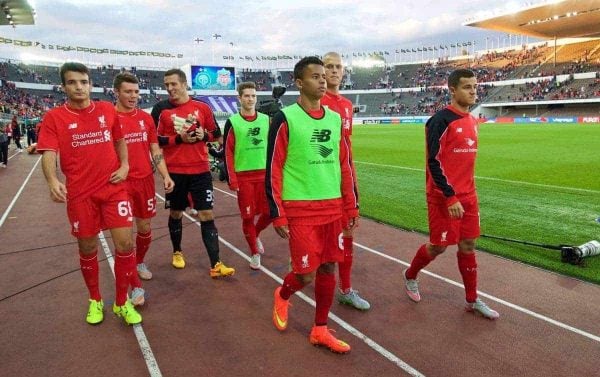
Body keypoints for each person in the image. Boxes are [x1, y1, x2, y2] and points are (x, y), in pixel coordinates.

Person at [36, 62, 142, 325]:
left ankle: (121, 302)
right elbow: (48, 152)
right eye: (72, 82)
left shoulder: (107, 110)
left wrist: (125, 165)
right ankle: (95, 299)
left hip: (113, 189)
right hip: (81, 194)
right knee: (87, 246)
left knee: (126, 244)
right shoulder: (54, 118)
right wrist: (52, 180)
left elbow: (119, 140)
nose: (79, 87)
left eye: (83, 81)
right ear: (64, 87)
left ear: (91, 84)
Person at [267, 56, 359, 353]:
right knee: (305, 273)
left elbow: (344, 165)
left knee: (330, 266)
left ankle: (320, 328)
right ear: (299, 82)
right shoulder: (286, 118)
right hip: (300, 208)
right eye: (315, 76)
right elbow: (274, 168)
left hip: (332, 207)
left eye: (324, 76)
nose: (323, 80)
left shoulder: (334, 119)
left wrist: (351, 205)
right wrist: (278, 213)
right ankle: (283, 293)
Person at [402, 68, 499, 320]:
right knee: (439, 246)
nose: (473, 91)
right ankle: (410, 275)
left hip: (469, 195)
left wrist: (464, 195)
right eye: (467, 87)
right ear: (453, 90)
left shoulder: (472, 121)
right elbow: (433, 162)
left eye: (475, 87)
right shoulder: (440, 121)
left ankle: (472, 299)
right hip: (443, 196)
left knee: (468, 244)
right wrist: (450, 196)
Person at [151, 68, 234, 277]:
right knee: (176, 213)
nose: (170, 89)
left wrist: (203, 134)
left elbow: (216, 134)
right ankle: (177, 251)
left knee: (207, 214)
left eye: (173, 84)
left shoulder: (202, 106)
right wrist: (177, 139)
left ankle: (216, 265)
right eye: (166, 85)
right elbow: (153, 140)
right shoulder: (161, 109)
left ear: (184, 84)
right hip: (175, 171)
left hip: (200, 171)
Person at [113, 72, 175, 304]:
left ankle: (138, 261)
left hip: (145, 182)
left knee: (145, 228)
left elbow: (155, 150)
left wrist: (165, 176)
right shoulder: (109, 117)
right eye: (128, 92)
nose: (133, 96)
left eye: (136, 92)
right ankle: (135, 287)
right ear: (116, 92)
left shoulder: (146, 119)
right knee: (125, 237)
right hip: (120, 184)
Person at [321, 51, 370, 311]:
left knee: (348, 230)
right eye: (329, 66)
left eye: (338, 66)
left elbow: (346, 148)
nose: (334, 71)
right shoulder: (316, 102)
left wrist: (352, 185)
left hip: (345, 177)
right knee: (322, 236)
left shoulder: (347, 105)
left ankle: (346, 289)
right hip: (320, 179)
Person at [223, 81, 272, 270]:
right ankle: (254, 252)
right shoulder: (233, 122)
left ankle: (256, 234)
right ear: (239, 98)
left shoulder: (267, 120)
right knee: (248, 217)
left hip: (265, 176)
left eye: (253, 96)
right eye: (246, 96)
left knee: (270, 213)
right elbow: (228, 151)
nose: (250, 99)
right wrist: (232, 178)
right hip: (244, 178)